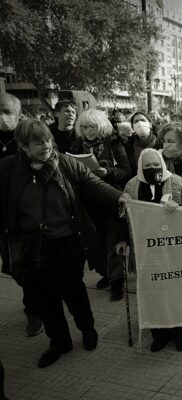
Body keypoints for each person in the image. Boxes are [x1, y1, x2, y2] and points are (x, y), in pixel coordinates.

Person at [0, 119, 129, 368]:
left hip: (67, 241)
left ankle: (88, 330)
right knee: (44, 297)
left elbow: (93, 184)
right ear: (23, 146)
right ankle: (59, 342)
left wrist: (120, 197)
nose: (46, 146)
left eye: (48, 140)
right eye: (38, 143)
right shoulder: (7, 169)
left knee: (73, 290)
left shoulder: (66, 163)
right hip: (29, 245)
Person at [121, 148, 182, 352]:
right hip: (146, 249)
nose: (152, 168)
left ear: (162, 164)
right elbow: (125, 217)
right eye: (147, 166)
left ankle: (180, 333)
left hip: (174, 249)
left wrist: (179, 210)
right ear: (140, 167)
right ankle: (159, 335)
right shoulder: (131, 186)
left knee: (176, 292)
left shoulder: (179, 184)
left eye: (156, 164)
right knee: (152, 293)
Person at [70, 109, 132, 301]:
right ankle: (106, 274)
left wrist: (108, 171)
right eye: (84, 127)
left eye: (92, 126)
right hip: (88, 201)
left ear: (101, 126)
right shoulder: (76, 145)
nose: (88, 131)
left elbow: (126, 170)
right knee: (96, 242)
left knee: (114, 240)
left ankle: (117, 281)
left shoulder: (113, 143)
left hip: (111, 198)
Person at [0, 93, 45, 337]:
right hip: (5, 218)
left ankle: (34, 310)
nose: (2, 117)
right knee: (14, 268)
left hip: (30, 217)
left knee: (29, 267)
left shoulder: (29, 138)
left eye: (7, 111)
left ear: (19, 114)